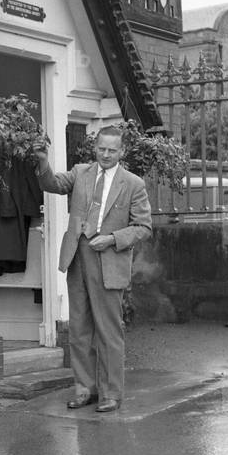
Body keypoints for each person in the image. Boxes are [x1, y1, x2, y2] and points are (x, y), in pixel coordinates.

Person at [33, 125, 152, 413]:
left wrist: (112, 239)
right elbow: (52, 184)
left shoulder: (133, 183)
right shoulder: (80, 173)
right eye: (102, 149)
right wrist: (42, 162)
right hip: (77, 256)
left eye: (112, 150)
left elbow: (144, 228)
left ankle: (112, 392)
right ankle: (85, 389)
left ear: (122, 152)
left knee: (109, 330)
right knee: (79, 328)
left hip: (109, 258)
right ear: (95, 148)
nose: (106, 155)